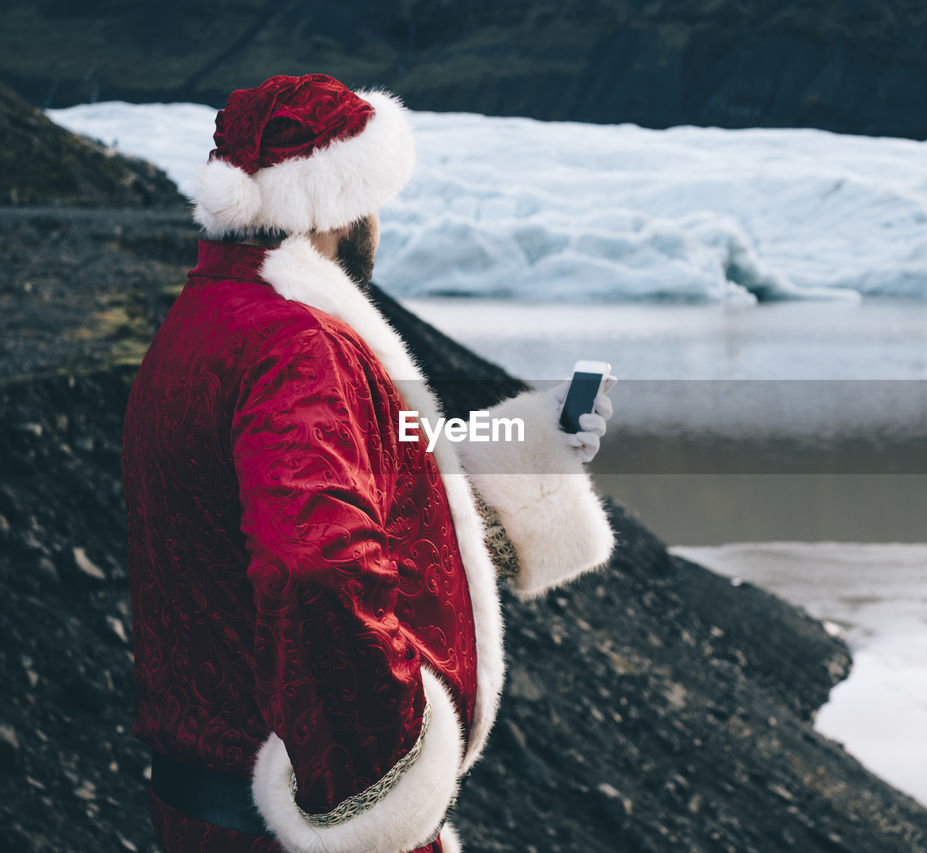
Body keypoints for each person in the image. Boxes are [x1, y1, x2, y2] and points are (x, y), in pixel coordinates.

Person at [122, 74, 616, 853]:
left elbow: (323, 496)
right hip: (306, 829)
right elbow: (313, 564)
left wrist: (528, 450)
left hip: (203, 805)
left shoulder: (208, 317)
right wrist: (379, 786)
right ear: (337, 203)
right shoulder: (298, 346)